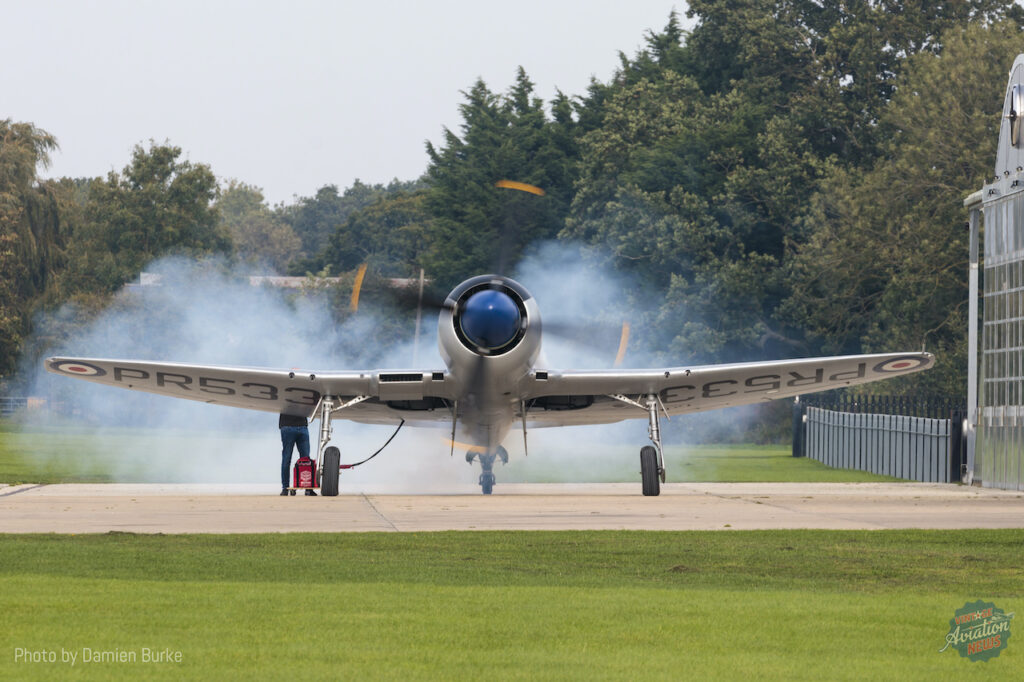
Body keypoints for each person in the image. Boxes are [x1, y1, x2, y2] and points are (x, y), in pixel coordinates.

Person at [279, 413, 315, 496]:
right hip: (291, 425)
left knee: (303, 459)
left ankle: (307, 487)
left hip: (298, 425)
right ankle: (286, 487)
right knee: (289, 458)